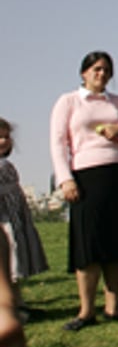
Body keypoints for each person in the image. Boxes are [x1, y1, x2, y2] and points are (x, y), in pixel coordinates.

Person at [49, 51, 118, 332]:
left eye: (106, 70)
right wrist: (65, 179)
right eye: (96, 69)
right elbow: (58, 144)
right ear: (83, 73)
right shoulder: (68, 101)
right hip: (86, 176)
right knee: (89, 245)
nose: (101, 74)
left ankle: (113, 307)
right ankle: (85, 311)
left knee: (116, 243)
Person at [0, 119, 49, 324]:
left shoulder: (6, 164)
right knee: (6, 263)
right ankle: (8, 309)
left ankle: (19, 303)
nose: (3, 141)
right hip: (3, 219)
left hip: (15, 216)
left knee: (14, 264)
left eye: (6, 136)